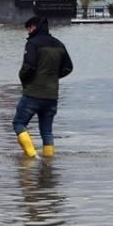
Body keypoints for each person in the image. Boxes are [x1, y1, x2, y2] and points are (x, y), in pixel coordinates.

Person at [13, 15, 73, 158]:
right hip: (52, 96)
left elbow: (28, 67)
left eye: (29, 28)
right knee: (47, 131)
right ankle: (48, 161)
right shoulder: (59, 44)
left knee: (19, 123)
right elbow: (68, 68)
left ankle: (32, 156)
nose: (28, 32)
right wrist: (52, 77)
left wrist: (23, 78)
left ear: (34, 27)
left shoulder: (33, 43)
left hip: (33, 93)